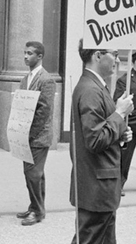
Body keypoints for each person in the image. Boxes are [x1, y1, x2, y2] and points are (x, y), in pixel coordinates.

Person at [70, 39, 134, 244]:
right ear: (98, 55)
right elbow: (95, 140)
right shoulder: (91, 89)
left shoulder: (96, 86)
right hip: (97, 187)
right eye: (114, 54)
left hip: (99, 186)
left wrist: (119, 135)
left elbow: (98, 131)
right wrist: (119, 113)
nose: (117, 60)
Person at [16, 41, 56, 226]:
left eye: (29, 53)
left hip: (38, 136)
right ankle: (35, 206)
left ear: (39, 56)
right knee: (32, 174)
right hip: (26, 134)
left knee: (33, 174)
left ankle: (38, 212)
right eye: (24, 53)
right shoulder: (26, 79)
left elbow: (44, 111)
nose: (25, 56)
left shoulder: (46, 79)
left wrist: (29, 133)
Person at [113, 51, 136, 196]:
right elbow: (118, 101)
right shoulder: (125, 80)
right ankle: (119, 184)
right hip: (132, 123)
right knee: (125, 156)